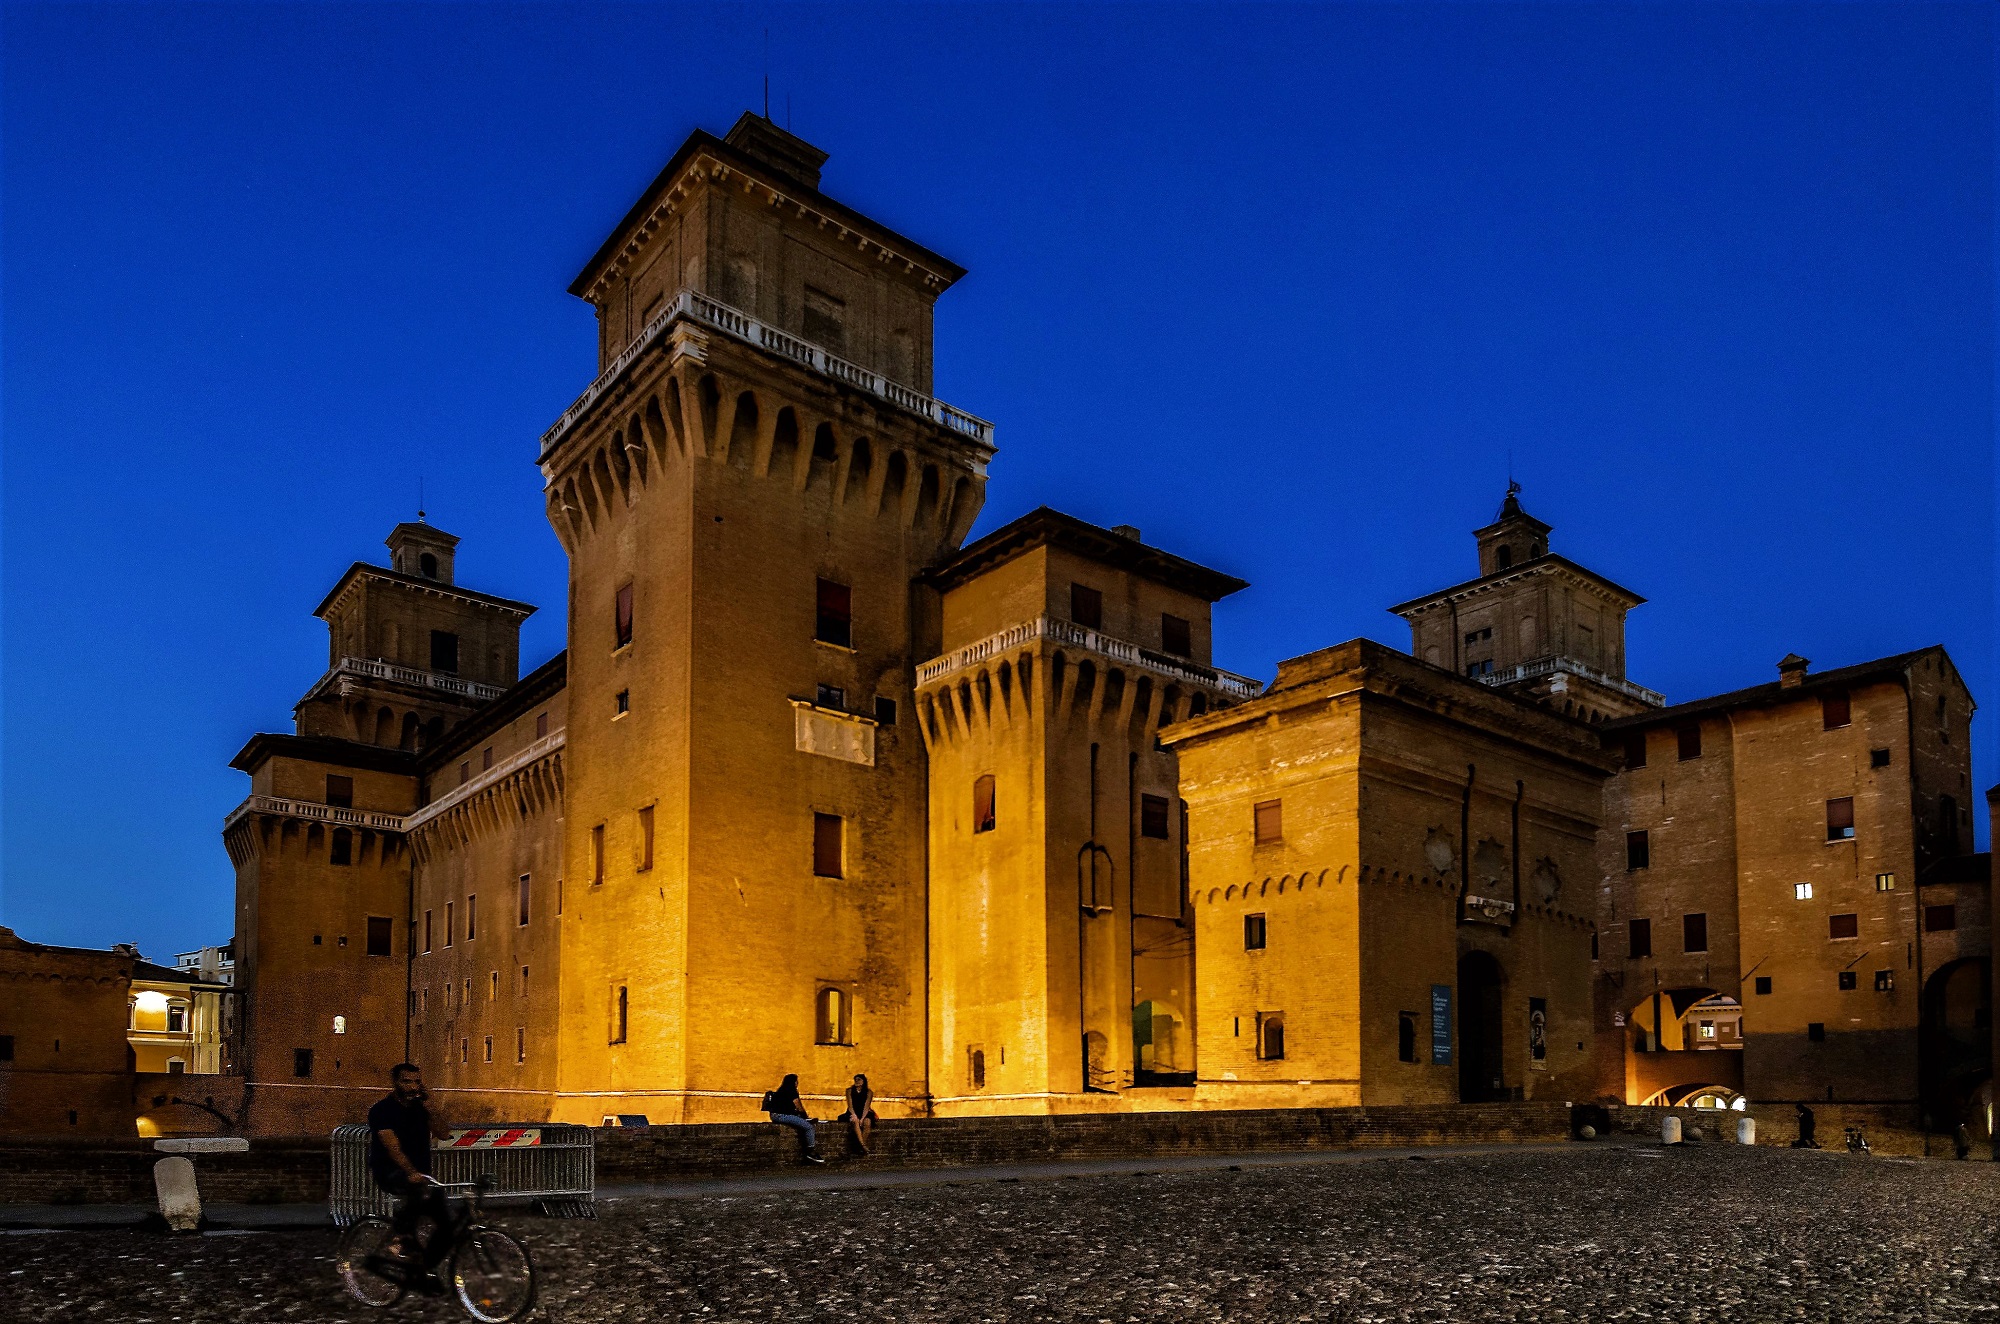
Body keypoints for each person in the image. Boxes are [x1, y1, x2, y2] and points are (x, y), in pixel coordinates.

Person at [368, 1063, 452, 1262]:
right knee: (413, 1189)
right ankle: (399, 1236)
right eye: (407, 1081)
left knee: (448, 1224)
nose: (413, 1087)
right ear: (395, 1082)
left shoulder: (420, 1109)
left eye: (416, 1082)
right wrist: (411, 1172)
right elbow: (393, 1148)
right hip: (390, 1171)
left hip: (422, 1174)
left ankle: (426, 1268)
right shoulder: (381, 1111)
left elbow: (444, 1133)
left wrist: (430, 1105)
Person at [762, 1074, 824, 1164]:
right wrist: (805, 1116)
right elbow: (798, 1106)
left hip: (775, 1115)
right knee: (809, 1127)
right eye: (796, 1081)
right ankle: (811, 1151)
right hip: (782, 1116)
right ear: (794, 1082)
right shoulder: (792, 1091)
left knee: (801, 1123)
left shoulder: (781, 1090)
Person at [840, 1073, 879, 1155]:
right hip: (853, 1111)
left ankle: (860, 1146)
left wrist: (862, 1118)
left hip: (864, 1112)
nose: (857, 1081)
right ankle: (863, 1146)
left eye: (859, 1079)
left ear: (863, 1081)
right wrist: (854, 1115)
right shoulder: (849, 1091)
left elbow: (866, 1106)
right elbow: (850, 1106)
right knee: (855, 1121)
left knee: (867, 1122)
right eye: (855, 1080)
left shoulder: (869, 1092)